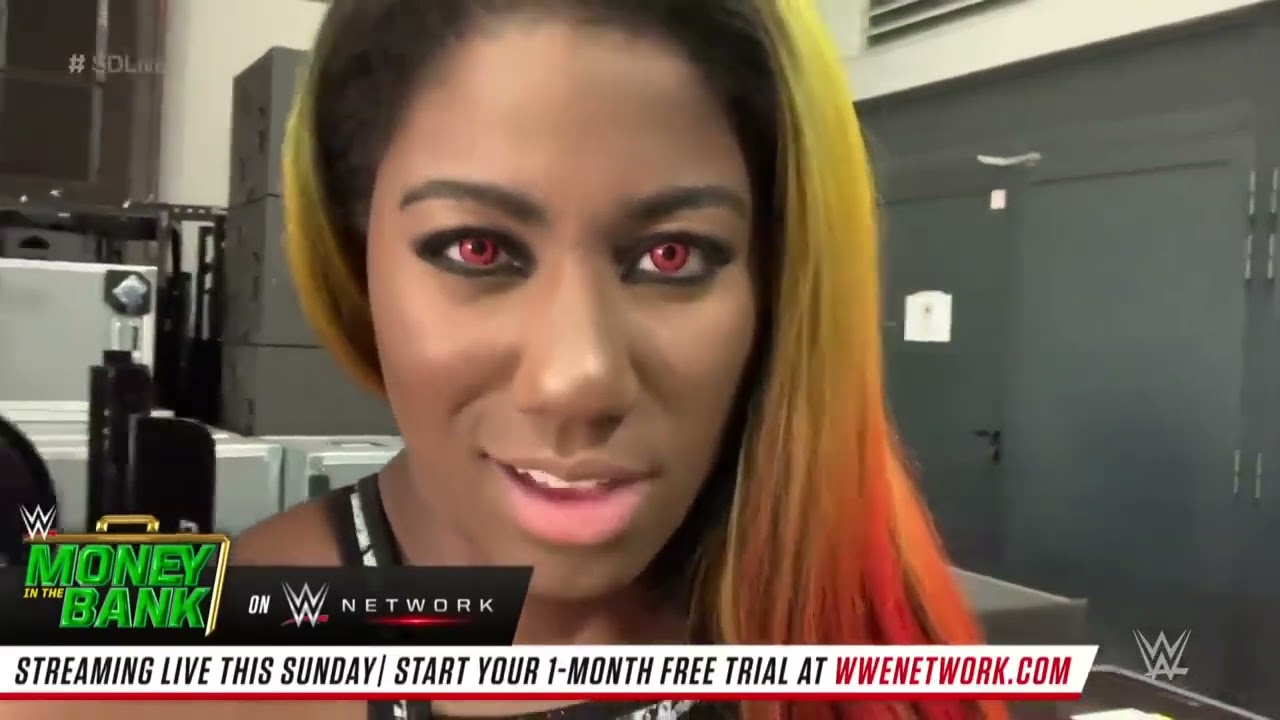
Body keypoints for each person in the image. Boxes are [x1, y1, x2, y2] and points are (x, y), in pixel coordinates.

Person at [6, 1, 1001, 719]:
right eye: (476, 249)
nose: (577, 379)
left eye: (671, 256)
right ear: (356, 255)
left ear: (774, 287)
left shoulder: (884, 653)